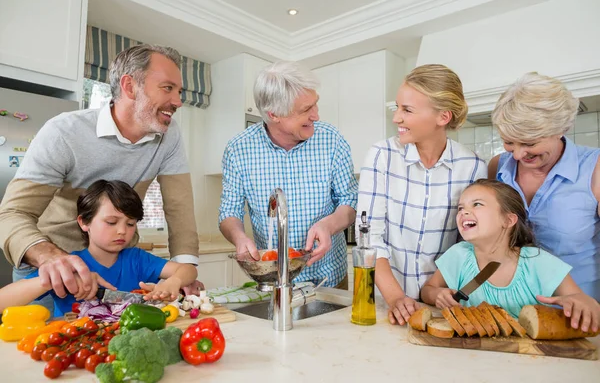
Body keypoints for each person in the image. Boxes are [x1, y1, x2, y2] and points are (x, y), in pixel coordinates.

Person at [0, 44, 201, 315]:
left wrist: (183, 275)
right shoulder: (64, 132)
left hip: (116, 269)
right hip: (49, 274)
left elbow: (180, 208)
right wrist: (53, 258)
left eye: (179, 92)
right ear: (129, 86)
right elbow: (12, 213)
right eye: (167, 88)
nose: (178, 101)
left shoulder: (169, 135)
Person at [356, 64, 486, 326]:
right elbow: (369, 237)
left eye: (407, 110)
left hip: (445, 305)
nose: (396, 118)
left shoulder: (472, 166)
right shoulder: (382, 156)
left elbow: (469, 244)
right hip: (386, 303)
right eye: (397, 107)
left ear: (443, 117)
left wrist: (436, 291)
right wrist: (396, 298)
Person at [219, 61, 358, 288]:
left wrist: (329, 225)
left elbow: (349, 201)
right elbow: (229, 212)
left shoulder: (331, 139)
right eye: (305, 110)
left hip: (329, 278)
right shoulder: (238, 149)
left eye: (315, 104)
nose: (316, 116)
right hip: (274, 282)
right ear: (274, 115)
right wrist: (239, 238)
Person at [421, 179, 600, 332]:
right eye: (461, 208)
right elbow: (427, 290)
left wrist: (585, 303)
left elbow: (580, 300)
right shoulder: (458, 255)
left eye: (477, 204)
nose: (463, 212)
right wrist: (437, 294)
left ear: (508, 220)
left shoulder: (539, 262)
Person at [0, 180, 198, 316]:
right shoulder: (71, 265)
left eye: (130, 224)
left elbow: (188, 270)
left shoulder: (137, 259)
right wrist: (57, 280)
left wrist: (174, 281)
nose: (122, 231)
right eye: (111, 222)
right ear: (84, 223)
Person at [488, 72, 600, 301]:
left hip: (577, 317)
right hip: (509, 310)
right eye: (509, 141)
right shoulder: (497, 167)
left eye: (529, 143)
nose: (518, 154)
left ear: (561, 129)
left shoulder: (595, 168)